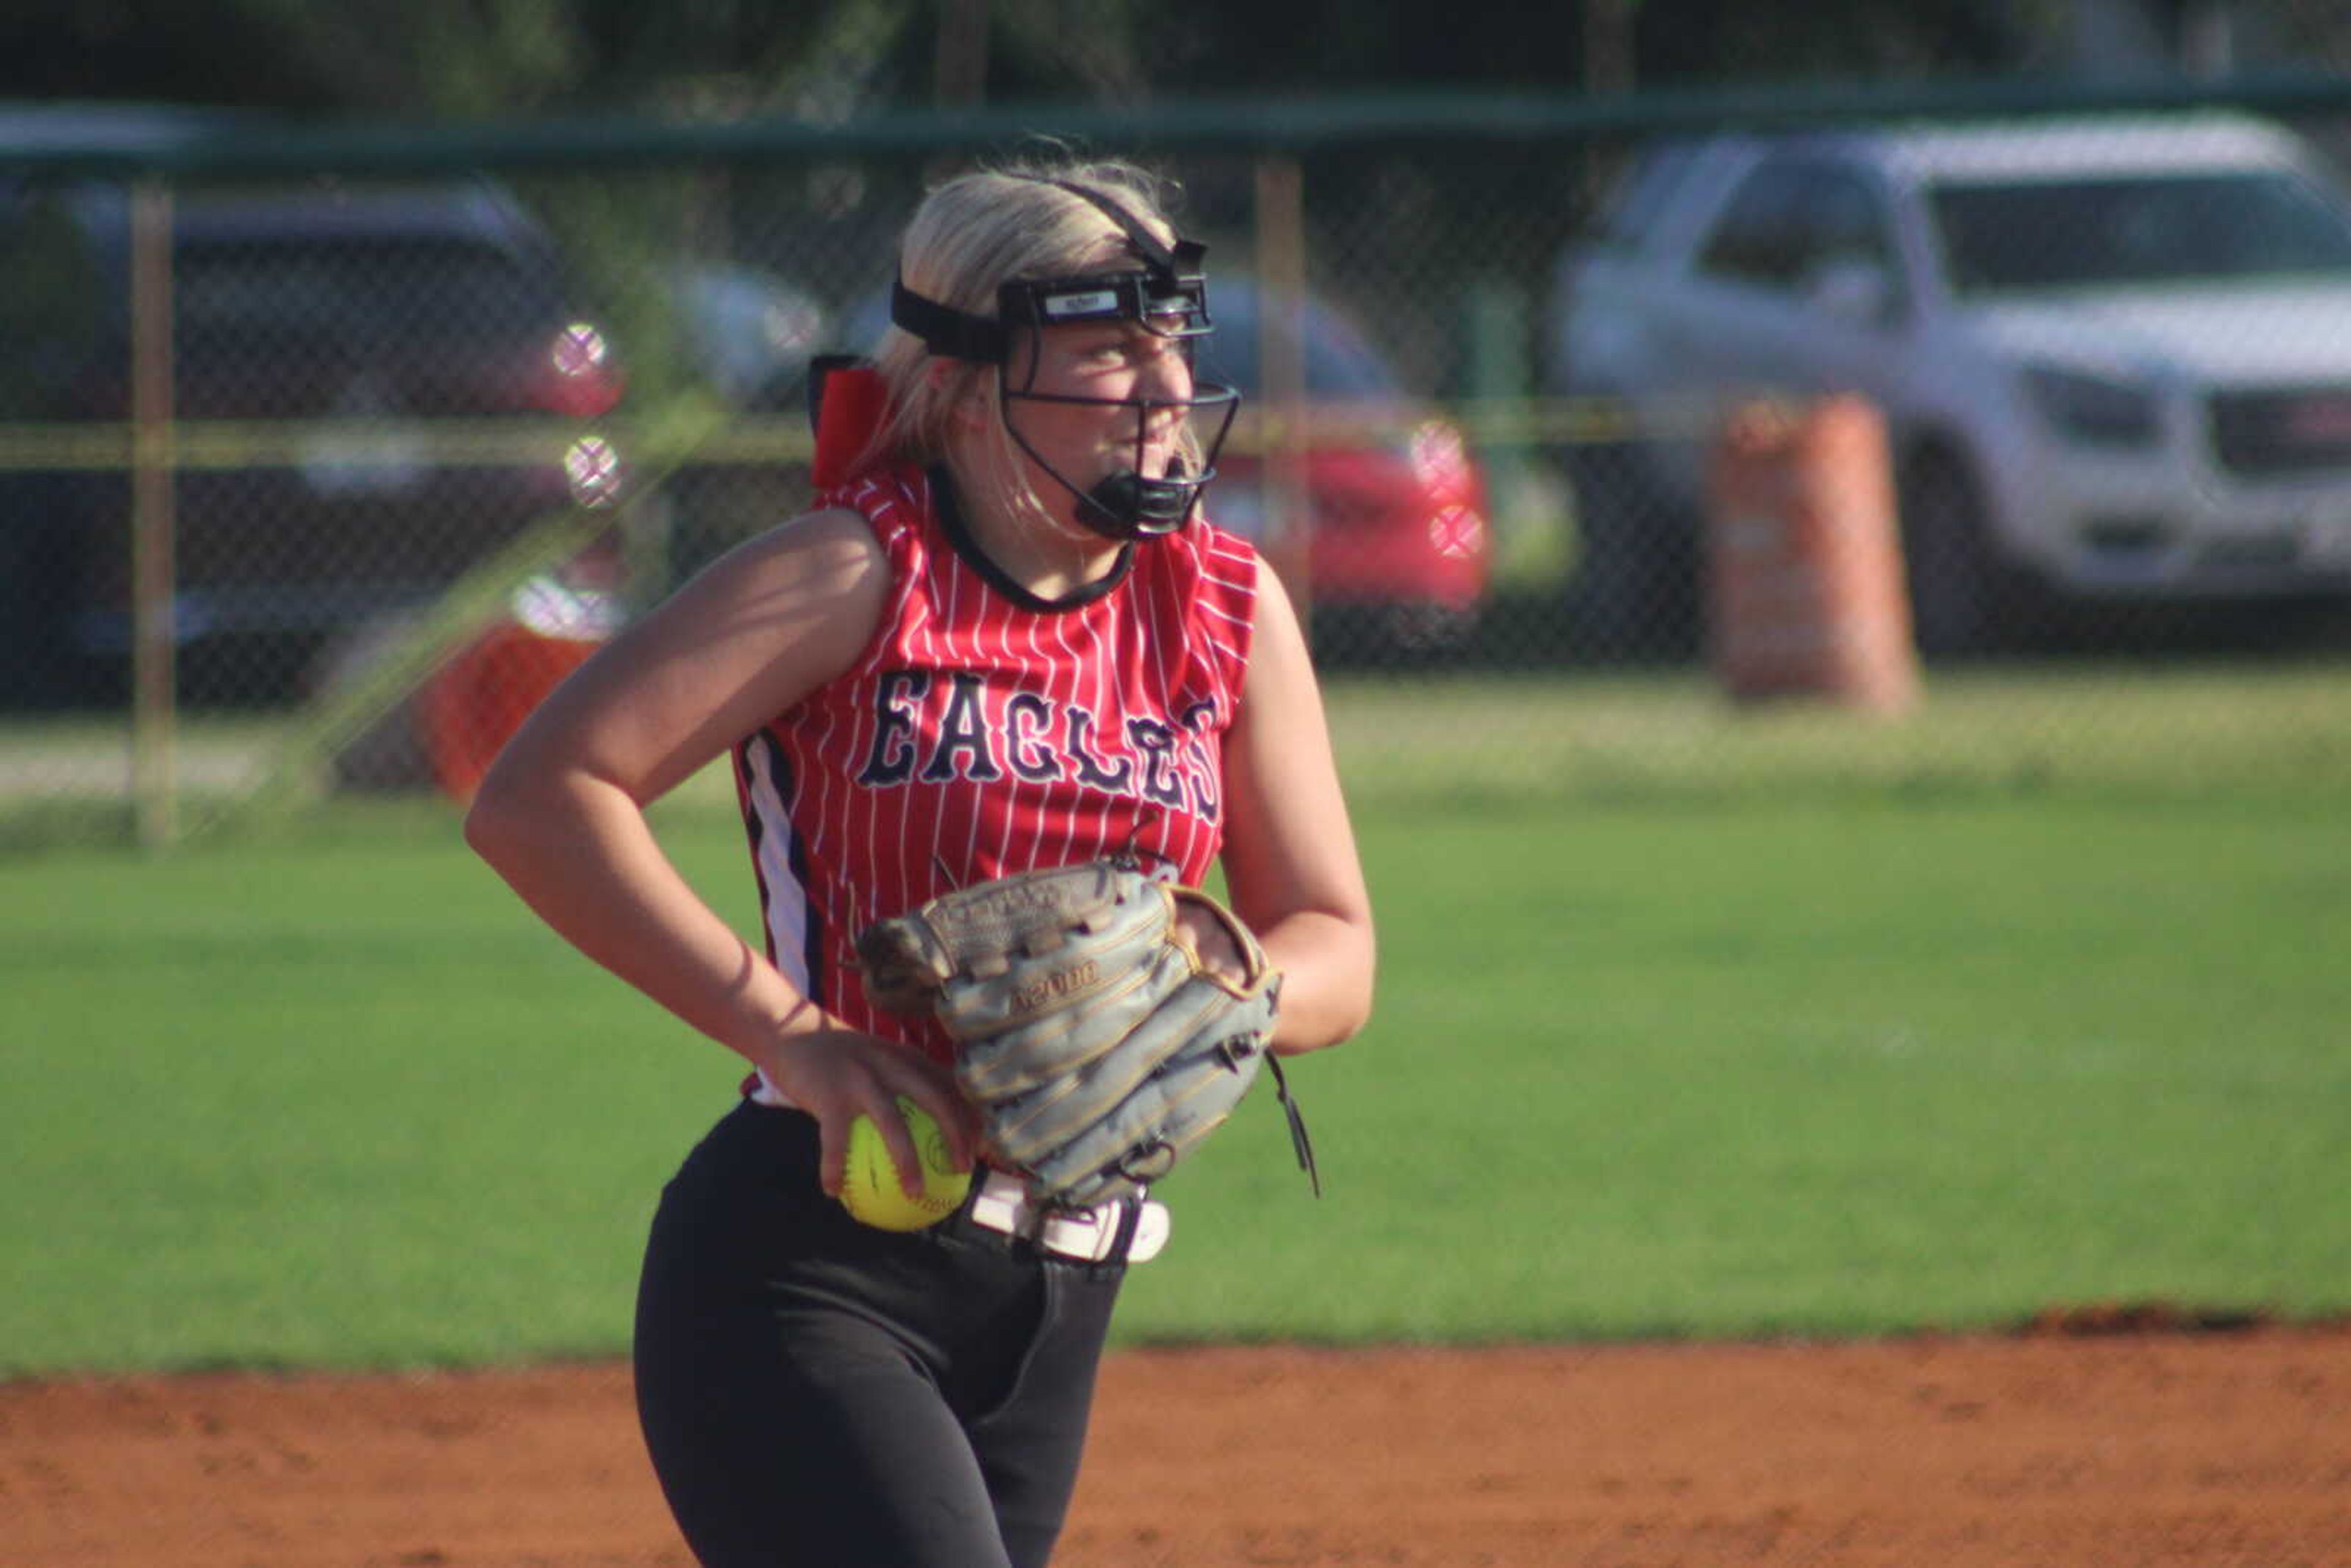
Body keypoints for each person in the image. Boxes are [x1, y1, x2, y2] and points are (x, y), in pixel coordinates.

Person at [463, 155, 1374, 1568]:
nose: (1161, 390)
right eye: (1106, 352)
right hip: (810, 1267)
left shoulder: (1226, 606)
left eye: (1169, 348)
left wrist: (1223, 970)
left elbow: (1335, 941)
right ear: (963, 385)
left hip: (1059, 1297)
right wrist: (799, 1036)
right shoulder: (854, 573)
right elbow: (539, 797)